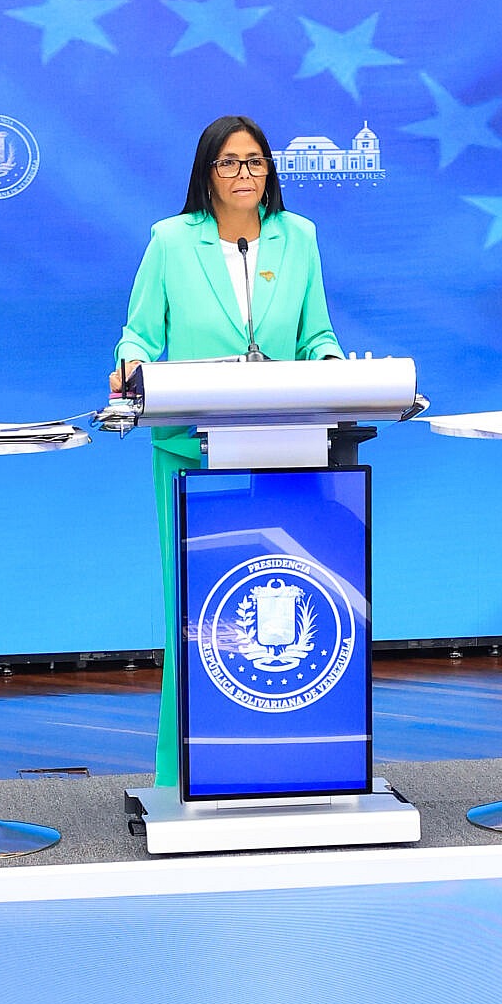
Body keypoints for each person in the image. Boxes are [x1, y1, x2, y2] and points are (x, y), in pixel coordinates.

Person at [111, 114, 344, 788]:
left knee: (298, 590)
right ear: (207, 173)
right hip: (191, 447)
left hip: (287, 446)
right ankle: (188, 771)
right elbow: (138, 335)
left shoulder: (299, 237)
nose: (245, 174)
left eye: (256, 161)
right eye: (230, 163)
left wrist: (331, 367)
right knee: (197, 609)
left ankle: (294, 761)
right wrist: (129, 366)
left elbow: (317, 334)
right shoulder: (171, 241)